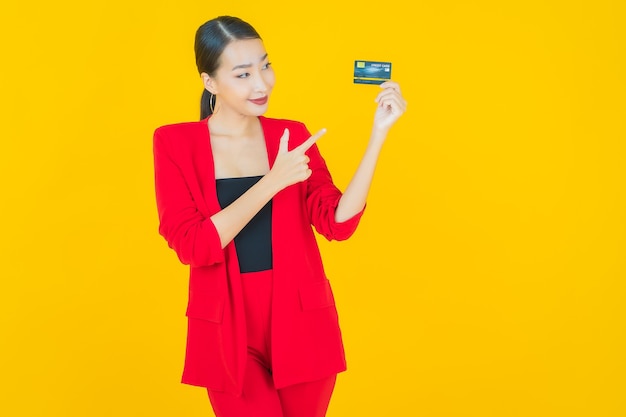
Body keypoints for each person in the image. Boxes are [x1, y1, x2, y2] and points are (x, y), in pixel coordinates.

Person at [153, 15, 406, 417]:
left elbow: (338, 224)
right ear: (210, 82)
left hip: (302, 323)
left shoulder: (290, 135)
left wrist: (379, 134)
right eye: (243, 74)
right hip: (228, 330)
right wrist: (272, 182)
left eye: (265, 66)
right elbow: (194, 245)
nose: (262, 83)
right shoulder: (174, 142)